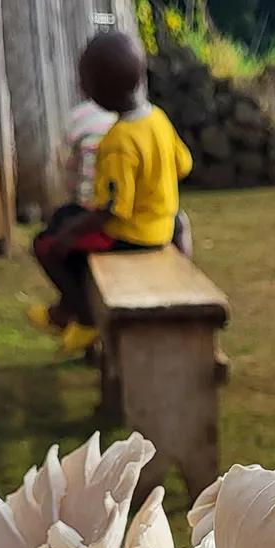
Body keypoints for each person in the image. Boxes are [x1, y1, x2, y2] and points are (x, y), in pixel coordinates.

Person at [28, 31, 194, 353]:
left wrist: (68, 236)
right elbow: (183, 165)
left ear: (99, 90)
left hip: (131, 237)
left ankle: (84, 317)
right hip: (162, 225)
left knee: (47, 244)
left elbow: (113, 210)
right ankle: (67, 310)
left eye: (84, 82)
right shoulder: (158, 119)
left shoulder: (118, 141)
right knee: (64, 216)